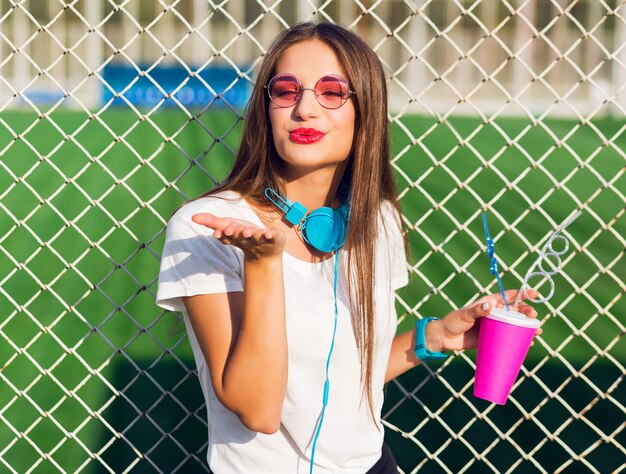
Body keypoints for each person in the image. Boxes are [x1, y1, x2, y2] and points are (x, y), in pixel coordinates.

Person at [156, 21, 540, 474]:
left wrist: (433, 337)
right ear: (266, 109)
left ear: (366, 112)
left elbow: (346, 380)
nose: (304, 109)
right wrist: (263, 264)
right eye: (285, 90)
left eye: (332, 92)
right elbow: (256, 409)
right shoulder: (209, 228)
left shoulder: (378, 221)